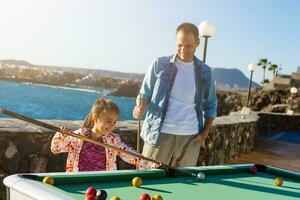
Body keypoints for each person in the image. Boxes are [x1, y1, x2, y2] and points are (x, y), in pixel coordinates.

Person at [133, 22, 217, 167]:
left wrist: (204, 133)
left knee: (184, 184)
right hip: (159, 135)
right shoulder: (159, 64)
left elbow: (211, 104)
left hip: (191, 138)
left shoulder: (205, 72)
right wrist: (140, 107)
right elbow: (144, 94)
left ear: (197, 43)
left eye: (188, 46)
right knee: (150, 179)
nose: (183, 49)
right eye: (179, 45)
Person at [51, 97, 149, 172]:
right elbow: (55, 148)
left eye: (114, 122)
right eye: (108, 121)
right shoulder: (78, 137)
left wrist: (152, 164)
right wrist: (61, 135)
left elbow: (129, 154)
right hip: (79, 181)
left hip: (103, 182)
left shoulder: (113, 140)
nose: (112, 126)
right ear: (95, 118)